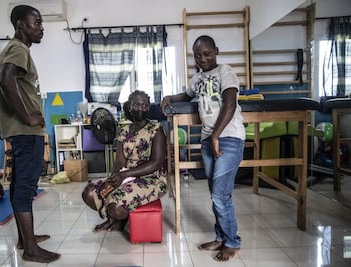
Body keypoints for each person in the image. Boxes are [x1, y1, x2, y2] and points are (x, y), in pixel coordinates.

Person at [161, 35, 245, 262]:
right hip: (208, 139)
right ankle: (220, 236)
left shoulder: (225, 71)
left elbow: (230, 103)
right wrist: (169, 97)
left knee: (220, 194)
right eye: (198, 55)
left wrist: (216, 135)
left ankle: (232, 242)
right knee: (215, 192)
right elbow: (186, 95)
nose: (203, 58)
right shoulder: (197, 78)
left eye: (207, 53)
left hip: (228, 137)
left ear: (216, 51)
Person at [0, 5, 60, 263]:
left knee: (19, 184)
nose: (41, 27)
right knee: (25, 186)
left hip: (22, 130)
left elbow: (10, 80)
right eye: (37, 22)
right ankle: (31, 249)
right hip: (25, 130)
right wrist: (27, 117)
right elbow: (5, 78)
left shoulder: (17, 50)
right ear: (21, 24)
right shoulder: (18, 48)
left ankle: (25, 240)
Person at [82, 90, 168, 232]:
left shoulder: (156, 129)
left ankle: (119, 220)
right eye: (136, 105)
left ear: (149, 107)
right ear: (129, 106)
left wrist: (125, 175)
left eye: (144, 105)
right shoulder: (123, 131)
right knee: (90, 193)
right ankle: (115, 221)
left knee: (115, 206)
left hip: (151, 178)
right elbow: (119, 162)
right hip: (125, 176)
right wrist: (115, 179)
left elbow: (156, 163)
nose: (140, 108)